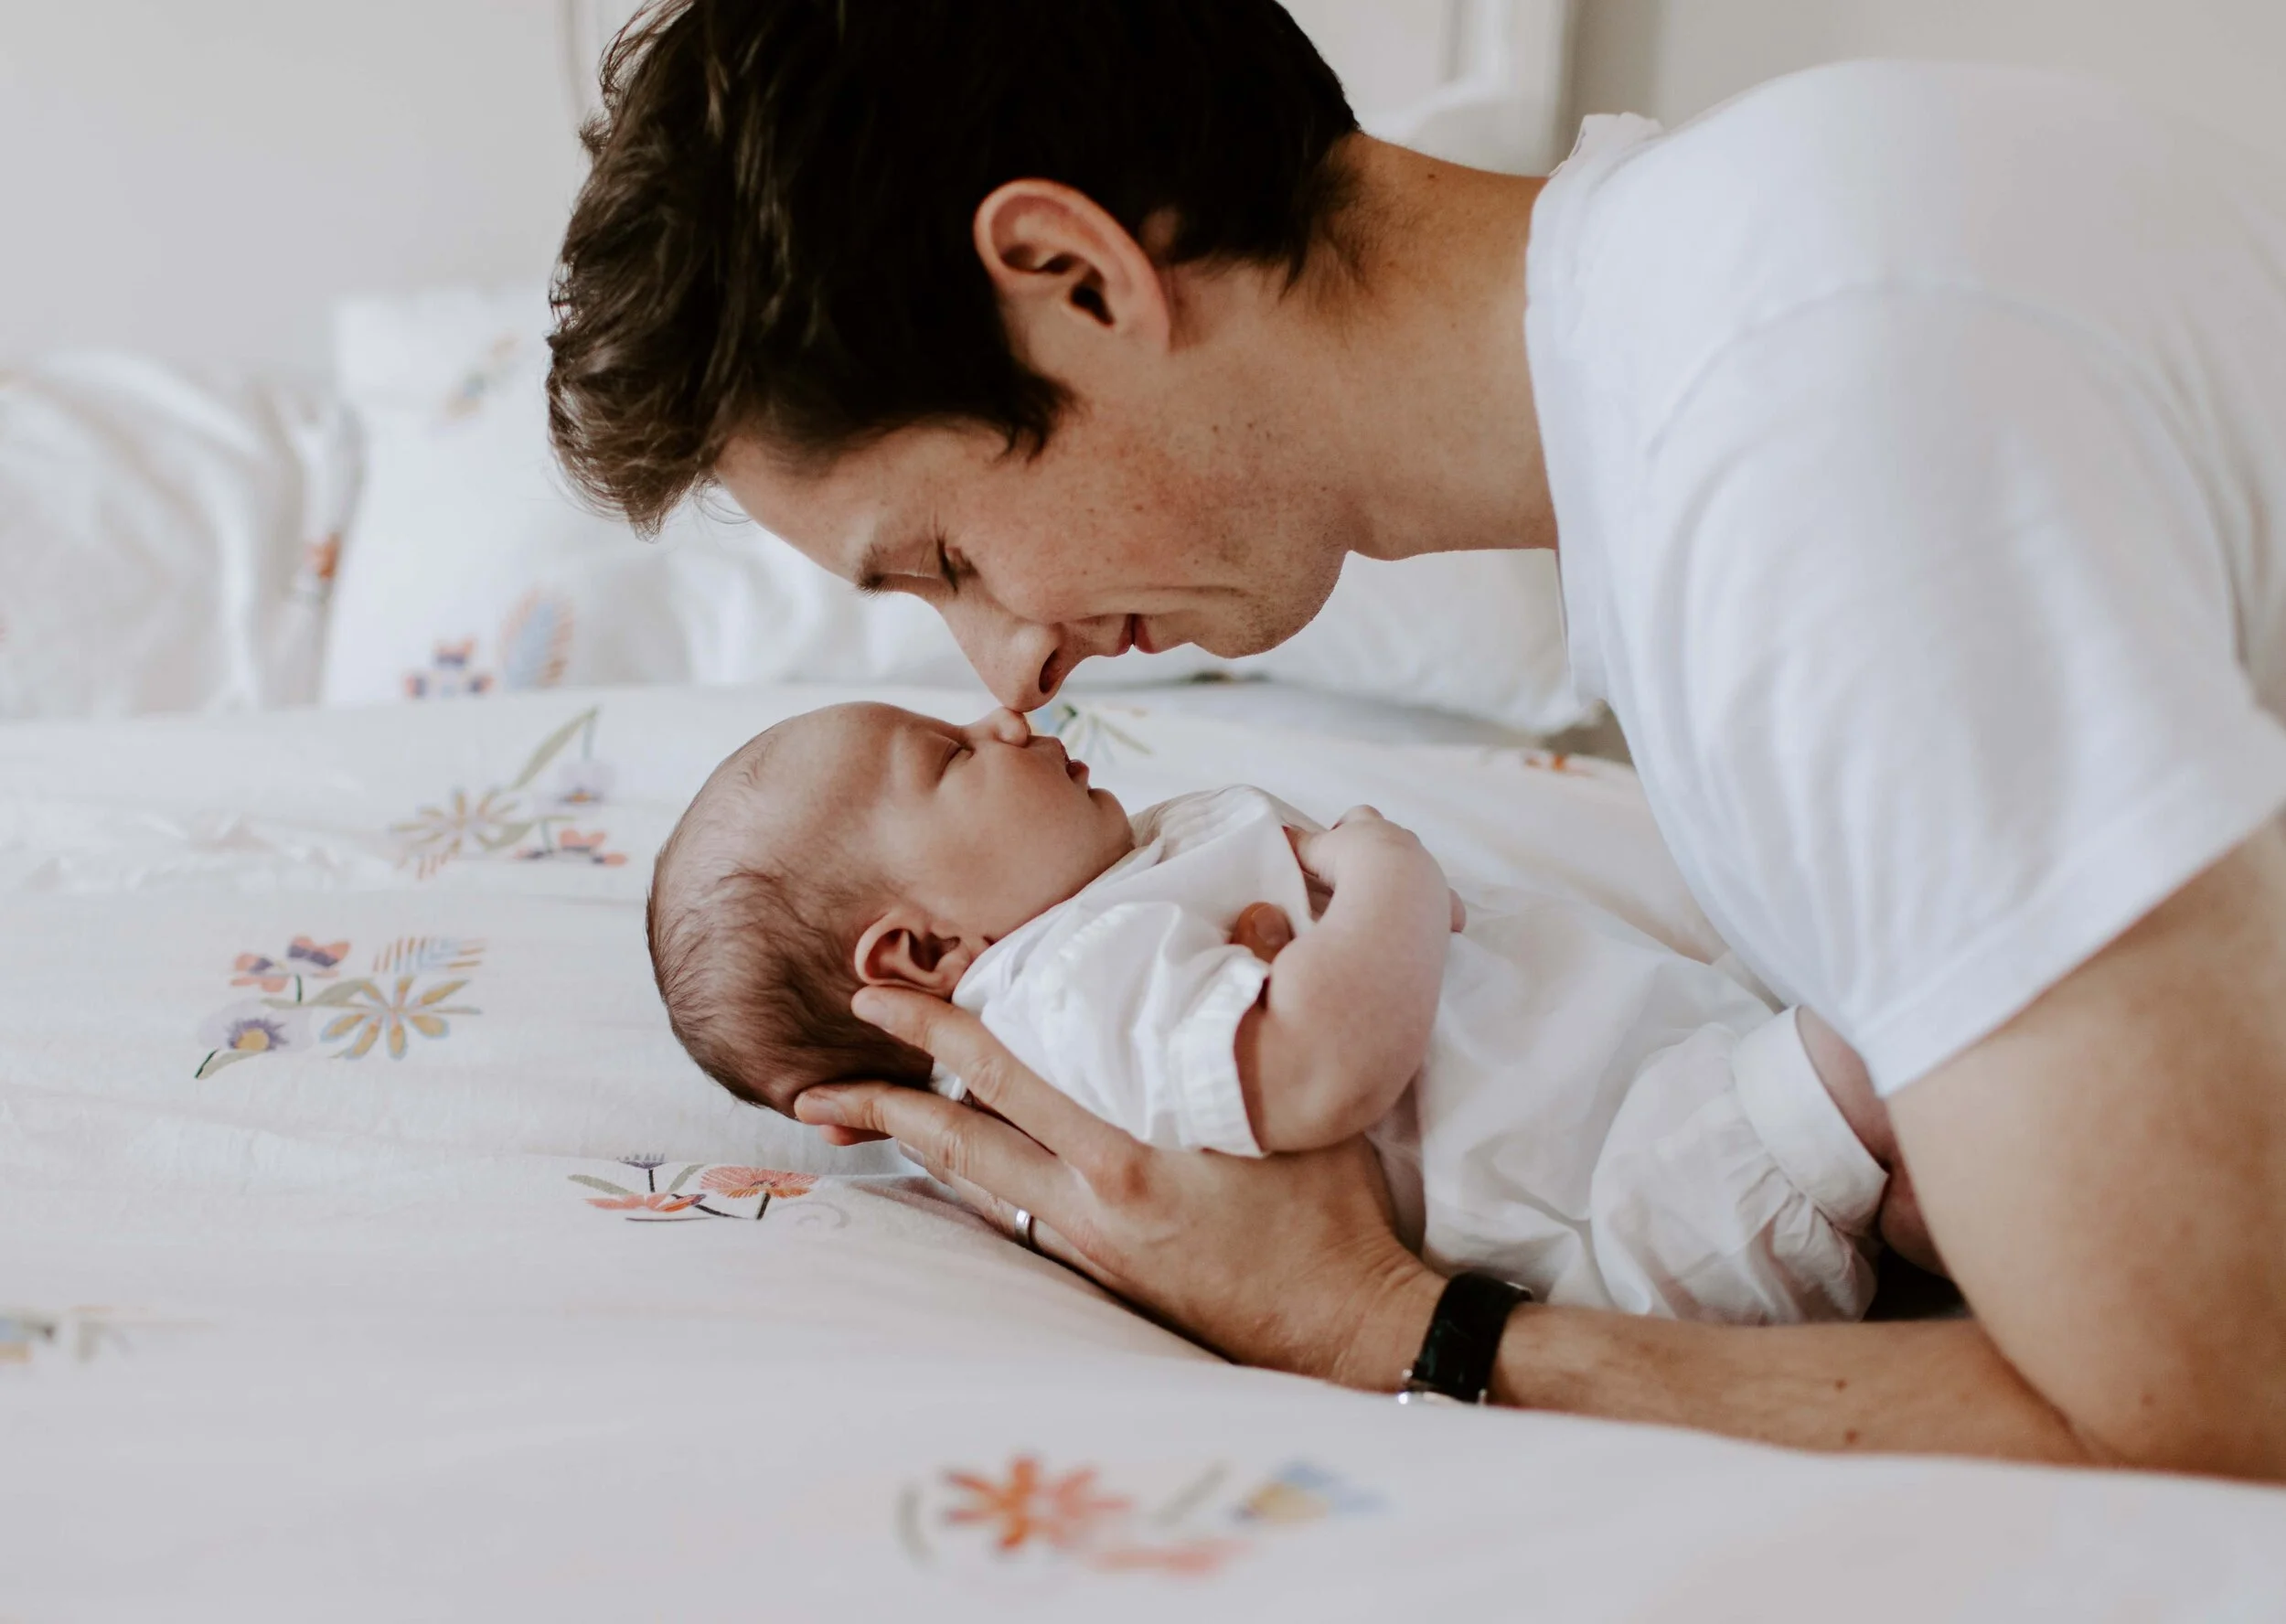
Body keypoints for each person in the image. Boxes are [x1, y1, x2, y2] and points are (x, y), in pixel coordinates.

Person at [548, 1, 2286, 1478]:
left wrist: (1389, 1326)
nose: (1007, 669)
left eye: (945, 555)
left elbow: (2215, 1396)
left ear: (1073, 277)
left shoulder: (1804, 448)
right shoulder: (1756, 270)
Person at [647, 700, 1928, 1323]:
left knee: (1948, 1157)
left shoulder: (1111, 916)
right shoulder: (1067, 991)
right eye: (950, 754)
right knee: (1935, 1038)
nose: (1004, 715)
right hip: (1651, 1182)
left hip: (1684, 1110)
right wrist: (1391, 878)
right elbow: (1321, 1072)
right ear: (923, 949)